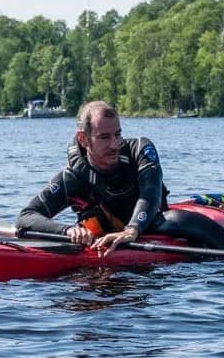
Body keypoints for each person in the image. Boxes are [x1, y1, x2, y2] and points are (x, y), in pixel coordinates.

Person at [16, 100, 168, 256]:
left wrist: (132, 229)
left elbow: (151, 192)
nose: (115, 144)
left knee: (177, 221)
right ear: (83, 139)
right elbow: (26, 215)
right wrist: (67, 231)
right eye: (104, 137)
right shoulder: (72, 178)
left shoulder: (139, 152)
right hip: (99, 248)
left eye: (117, 134)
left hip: (149, 227)